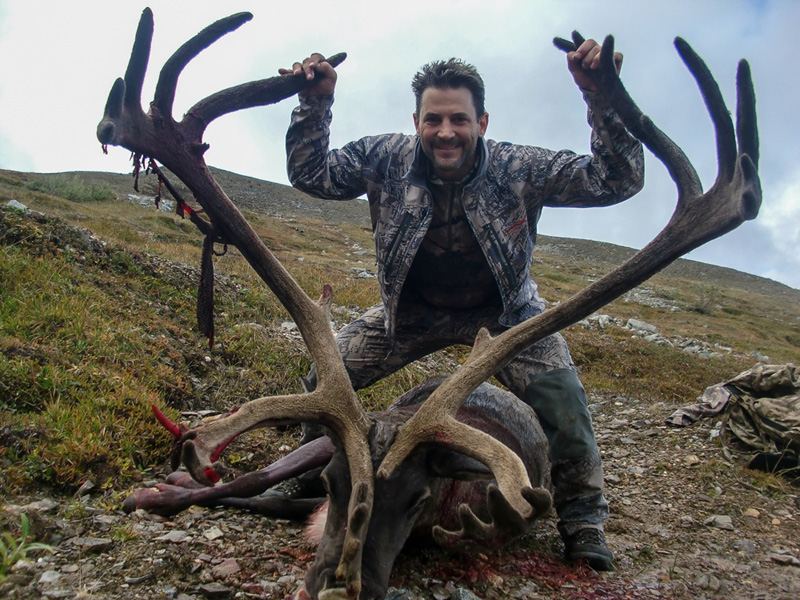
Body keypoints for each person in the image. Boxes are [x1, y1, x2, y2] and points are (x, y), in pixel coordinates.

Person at [276, 39, 644, 571]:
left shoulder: (521, 167)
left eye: (458, 120)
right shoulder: (385, 157)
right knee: (322, 380)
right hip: (408, 316)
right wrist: (316, 103)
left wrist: (601, 97)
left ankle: (583, 521)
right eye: (433, 120)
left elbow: (617, 179)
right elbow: (312, 175)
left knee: (567, 412)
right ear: (416, 121)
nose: (445, 131)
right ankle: (321, 476)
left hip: (505, 320)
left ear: (483, 122)